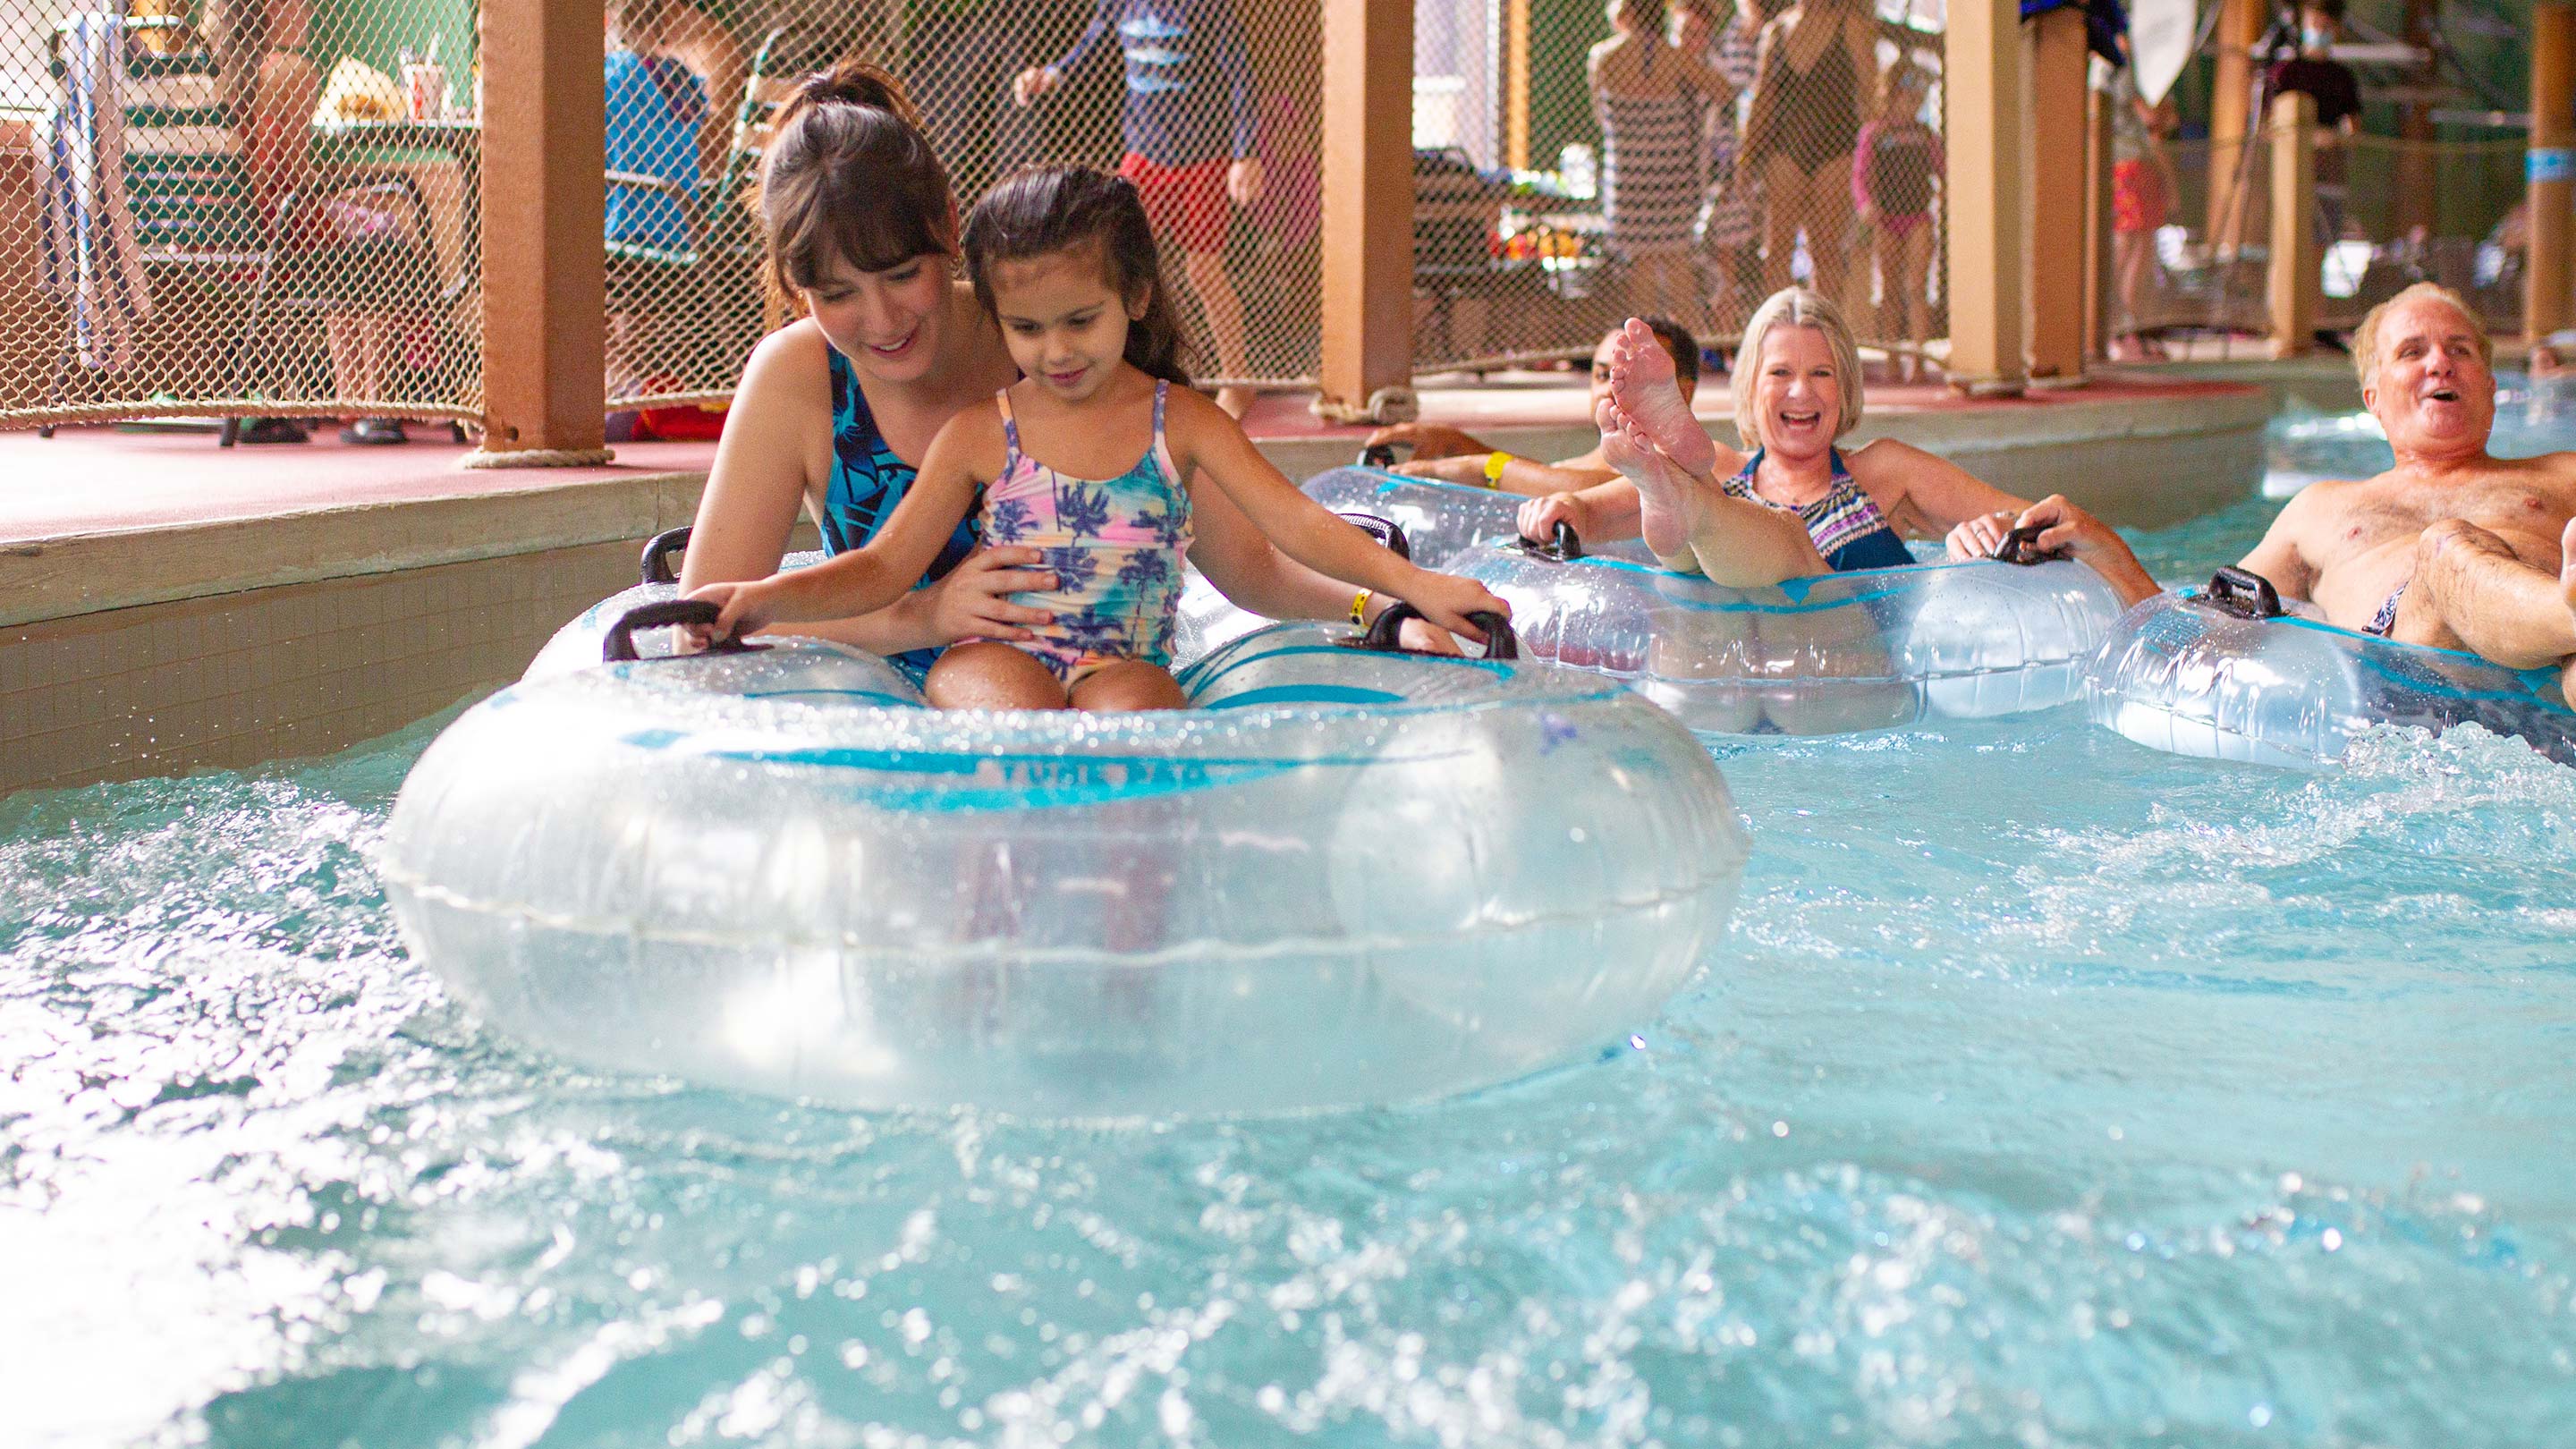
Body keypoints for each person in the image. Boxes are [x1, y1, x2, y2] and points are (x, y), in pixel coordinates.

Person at [677, 62, 1457, 684]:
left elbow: (1251, 561)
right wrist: (919, 619)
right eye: (836, 294)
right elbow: (706, 613)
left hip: (1099, 674)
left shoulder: (1048, 339)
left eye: (902, 273)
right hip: (910, 700)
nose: (880, 320)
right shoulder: (799, 377)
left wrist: (1382, 609)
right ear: (792, 287)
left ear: (949, 225)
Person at [1517, 288, 2159, 603]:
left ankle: (1685, 502)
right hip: (1727, 684)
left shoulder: (1886, 472)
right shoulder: (1724, 465)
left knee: (1788, 541)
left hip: (1851, 680)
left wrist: (1994, 529)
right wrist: (1565, 511)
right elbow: (1595, 512)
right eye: (1780, 374)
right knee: (1687, 529)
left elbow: (2046, 522)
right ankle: (1679, 502)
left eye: (1821, 374)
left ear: (1845, 386)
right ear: (1750, 387)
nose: (1802, 392)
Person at [2233, 284, 2576, 708]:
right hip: (2405, 676)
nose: (2440, 364)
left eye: (2460, 350)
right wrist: (2123, 567)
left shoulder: (2564, 473)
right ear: (2373, 400)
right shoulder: (2319, 508)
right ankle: (2567, 615)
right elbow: (2210, 626)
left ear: (2490, 390)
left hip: (2550, 673)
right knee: (2444, 549)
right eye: (2412, 352)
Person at [1012, 0, 1261, 418]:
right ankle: (1129, 374)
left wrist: (1245, 153)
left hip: (1204, 157)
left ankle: (1238, 380)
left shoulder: (1208, 8)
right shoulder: (1121, 4)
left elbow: (1240, 77)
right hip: (1145, 153)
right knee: (1120, 263)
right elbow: (1089, 48)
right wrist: (1050, 76)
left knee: (1203, 268)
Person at [209, 0, 428, 445]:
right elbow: (282, 172)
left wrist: (337, 197)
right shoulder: (289, 71)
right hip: (281, 226)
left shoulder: (210, 74)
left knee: (355, 227)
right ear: (271, 8)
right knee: (386, 230)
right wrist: (336, 194)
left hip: (223, 231)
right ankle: (376, 404)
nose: (308, 9)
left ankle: (351, 401)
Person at [1362, 317, 1703, 496]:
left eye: (1634, 378)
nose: (1610, 391)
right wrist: (1453, 443)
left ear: (1682, 394)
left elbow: (1604, 493)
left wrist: (1484, 468)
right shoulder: (1585, 463)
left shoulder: (1695, 465)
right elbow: (1550, 478)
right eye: (1603, 375)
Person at [1589, 0, 1726, 328]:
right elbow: (1721, 90)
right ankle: (1694, 348)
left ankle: (1643, 347)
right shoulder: (1673, 56)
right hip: (1672, 176)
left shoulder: (1603, 57)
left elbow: (1600, 113)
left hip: (1628, 178)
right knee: (1678, 263)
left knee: (1642, 268)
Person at [1740, 0, 1874, 305]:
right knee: (1777, 250)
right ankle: (1778, 331)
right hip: (1786, 148)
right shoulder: (1776, 32)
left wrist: (1872, 160)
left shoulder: (1850, 26)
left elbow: (1869, 94)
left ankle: (1826, 337)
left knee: (1826, 251)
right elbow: (1763, 99)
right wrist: (1746, 158)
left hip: (1836, 148)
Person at [1676, 0, 1773, 337]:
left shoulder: (1723, 60)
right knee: (1682, 258)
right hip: (1677, 176)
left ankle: (1723, 337)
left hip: (1721, 172)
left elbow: (1738, 106)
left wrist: (1734, 169)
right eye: (1687, 30)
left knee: (1727, 257)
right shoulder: (1665, 63)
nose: (1694, 37)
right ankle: (1695, 336)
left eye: (1701, 29)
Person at [1851, 64, 1940, 383]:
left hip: (1917, 215)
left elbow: (1942, 169)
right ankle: (1892, 356)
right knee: (1889, 289)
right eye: (1906, 96)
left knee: (1917, 287)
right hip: (1887, 218)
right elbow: (1860, 175)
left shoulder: (1925, 134)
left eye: (1916, 98)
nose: (1912, 103)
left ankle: (1918, 359)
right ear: (1892, 96)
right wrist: (1867, 205)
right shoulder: (1874, 133)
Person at [2262, 0, 2361, 246]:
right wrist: (2303, 138)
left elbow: (2354, 128)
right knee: (2289, 241)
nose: (2321, 29)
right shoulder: (2284, 73)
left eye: (2327, 24)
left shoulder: (2343, 78)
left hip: (2328, 176)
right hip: (2290, 174)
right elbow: (2266, 127)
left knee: (2320, 244)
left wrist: (2335, 139)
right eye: (2315, 22)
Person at [2107, 62, 2179, 361]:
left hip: (2146, 166)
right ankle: (2120, 330)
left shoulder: (2151, 67)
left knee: (2144, 252)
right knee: (2128, 250)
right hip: (2129, 167)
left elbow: (2167, 120)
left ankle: (2134, 327)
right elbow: (2152, 119)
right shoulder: (2124, 72)